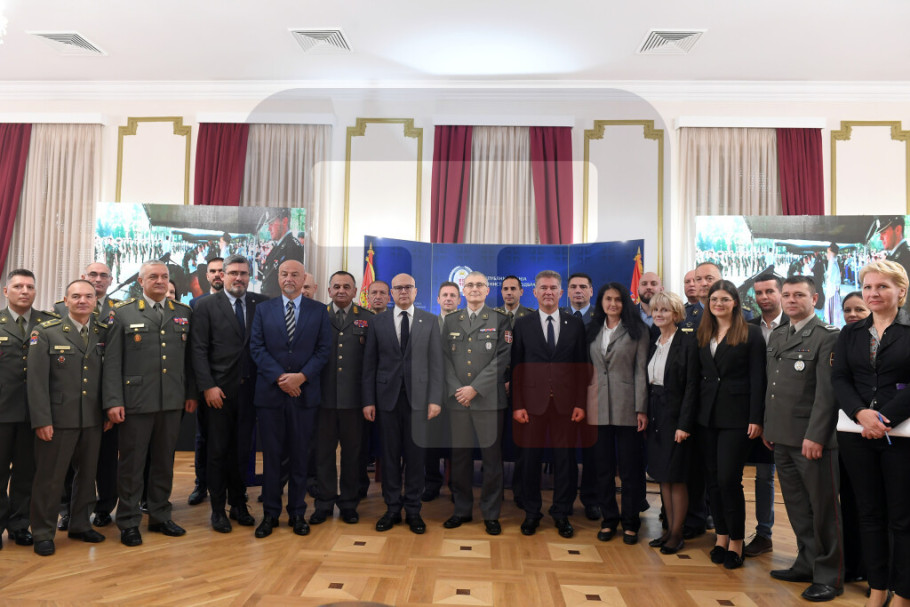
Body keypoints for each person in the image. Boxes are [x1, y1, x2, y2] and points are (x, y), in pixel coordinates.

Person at [103, 261, 197, 547]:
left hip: (171, 401)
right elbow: (112, 363)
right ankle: (129, 521)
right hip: (136, 402)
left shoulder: (182, 312)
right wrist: (113, 401)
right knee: (131, 465)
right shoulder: (122, 313)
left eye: (164, 276)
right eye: (153, 276)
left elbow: (189, 359)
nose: (159, 281)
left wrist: (190, 393)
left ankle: (159, 515)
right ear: (140, 282)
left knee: (163, 462)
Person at [832, 260, 910, 607]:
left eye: (882, 286)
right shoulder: (850, 333)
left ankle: (903, 594)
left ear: (900, 292)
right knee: (869, 514)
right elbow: (840, 378)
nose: (873, 293)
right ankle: (877, 589)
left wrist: (883, 419)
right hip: (856, 434)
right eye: (868, 287)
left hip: (902, 435)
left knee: (903, 518)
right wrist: (861, 413)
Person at [763, 276, 843, 602]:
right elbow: (773, 386)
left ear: (815, 298)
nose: (791, 300)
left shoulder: (827, 337)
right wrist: (769, 427)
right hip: (781, 436)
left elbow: (827, 394)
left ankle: (829, 576)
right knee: (797, 507)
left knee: (823, 510)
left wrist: (816, 435)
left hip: (811, 440)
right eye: (787, 295)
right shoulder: (779, 334)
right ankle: (807, 562)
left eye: (799, 294)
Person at [249, 259, 331, 538]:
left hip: (304, 396)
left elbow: (323, 350)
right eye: (284, 274)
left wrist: (301, 377)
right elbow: (257, 348)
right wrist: (282, 378)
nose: (289, 278)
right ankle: (270, 514)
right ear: (278, 277)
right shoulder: (264, 310)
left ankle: (297, 513)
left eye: (295, 274)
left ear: (303, 278)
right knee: (272, 459)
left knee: (300, 458)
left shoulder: (319, 311)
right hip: (271, 396)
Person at [27, 280, 109, 556]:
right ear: (66, 300)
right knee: (50, 479)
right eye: (76, 296)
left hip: (92, 417)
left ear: (95, 300)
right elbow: (36, 382)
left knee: (87, 476)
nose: (82, 301)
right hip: (58, 419)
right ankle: (42, 532)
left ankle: (80, 524)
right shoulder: (46, 332)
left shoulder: (102, 331)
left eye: (88, 296)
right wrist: (42, 420)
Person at [362, 273, 444, 534]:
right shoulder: (378, 322)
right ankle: (392, 509)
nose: (403, 291)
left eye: (408, 287)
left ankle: (413, 510)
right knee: (389, 457)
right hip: (386, 400)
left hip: (419, 401)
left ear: (416, 291)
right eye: (398, 288)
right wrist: (368, 400)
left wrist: (435, 399)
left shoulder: (430, 321)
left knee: (416, 458)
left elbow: (437, 364)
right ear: (392, 293)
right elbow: (369, 364)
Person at [190, 254, 265, 533]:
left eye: (243, 273)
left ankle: (238, 505)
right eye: (233, 273)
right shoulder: (205, 305)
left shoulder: (261, 304)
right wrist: (208, 386)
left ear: (250, 276)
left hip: (251, 393)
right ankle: (218, 509)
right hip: (217, 393)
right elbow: (198, 350)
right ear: (223, 275)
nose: (238, 278)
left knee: (242, 452)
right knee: (217, 452)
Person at [695, 280, 766, 570]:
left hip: (738, 418)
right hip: (706, 417)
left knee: (728, 480)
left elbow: (758, 378)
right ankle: (721, 537)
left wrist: (756, 418)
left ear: (735, 302)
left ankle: (737, 541)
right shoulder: (703, 332)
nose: (719, 304)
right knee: (712, 480)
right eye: (714, 299)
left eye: (725, 299)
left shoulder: (751, 332)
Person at [511, 270, 588, 538]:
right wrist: (518, 405)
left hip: (566, 406)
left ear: (561, 292)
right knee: (529, 461)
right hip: (531, 406)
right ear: (535, 292)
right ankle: (532, 513)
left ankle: (561, 513)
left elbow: (581, 368)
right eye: (543, 288)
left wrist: (580, 403)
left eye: (553, 288)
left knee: (565, 462)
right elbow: (516, 367)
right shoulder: (523, 324)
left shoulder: (574, 324)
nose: (548, 292)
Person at [441, 271, 511, 536]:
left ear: (487, 290)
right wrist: (459, 391)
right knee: (460, 459)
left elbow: (503, 358)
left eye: (479, 285)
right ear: (463, 289)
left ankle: (491, 514)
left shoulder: (500, 320)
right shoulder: (451, 320)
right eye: (469, 284)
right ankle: (461, 510)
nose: (474, 289)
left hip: (489, 402)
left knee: (492, 460)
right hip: (459, 401)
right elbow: (444, 358)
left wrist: (475, 389)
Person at [54, 262, 120, 530]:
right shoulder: (60, 309)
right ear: (84, 277)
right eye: (93, 274)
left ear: (111, 280)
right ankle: (68, 510)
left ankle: (104, 508)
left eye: (104, 275)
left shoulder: (120, 310)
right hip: (71, 401)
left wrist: (112, 402)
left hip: (104, 400)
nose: (98, 279)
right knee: (69, 463)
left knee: (106, 460)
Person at [586, 282, 649, 545]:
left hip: (627, 407)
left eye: (618, 299)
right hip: (597, 406)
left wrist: (641, 408)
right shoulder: (592, 329)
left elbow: (641, 371)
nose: (613, 304)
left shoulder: (638, 330)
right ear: (601, 302)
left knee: (630, 469)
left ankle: (631, 522)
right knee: (602, 469)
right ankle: (609, 519)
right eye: (608, 299)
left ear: (625, 302)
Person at [0, 269, 57, 550]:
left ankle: (20, 525)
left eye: (30, 287)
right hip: (1, 412)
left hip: (33, 414)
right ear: (6, 291)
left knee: (26, 472)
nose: (24, 291)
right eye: (18, 286)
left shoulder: (48, 324)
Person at [310, 271, 371, 526]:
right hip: (322, 400)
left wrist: (368, 400)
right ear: (329, 290)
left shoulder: (367, 319)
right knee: (323, 454)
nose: (341, 290)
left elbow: (370, 365)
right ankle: (324, 503)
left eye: (347, 286)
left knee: (352, 456)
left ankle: (348, 504)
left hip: (354, 402)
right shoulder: (316, 316)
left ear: (355, 291)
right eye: (336, 286)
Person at [646, 291, 698, 555]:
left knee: (676, 477)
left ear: (676, 314)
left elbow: (691, 387)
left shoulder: (687, 342)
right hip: (656, 414)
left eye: (665, 310)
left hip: (677, 417)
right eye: (656, 310)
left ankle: (677, 533)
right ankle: (667, 529)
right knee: (663, 477)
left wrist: (684, 425)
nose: (659, 314)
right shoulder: (654, 341)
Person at [743, 272, 789, 558]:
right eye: (758, 292)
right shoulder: (748, 327)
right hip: (752, 412)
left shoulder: (795, 325)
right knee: (760, 474)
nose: (763, 297)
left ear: (781, 293)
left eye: (769, 291)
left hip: (786, 414)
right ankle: (760, 534)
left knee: (780, 478)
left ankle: (806, 545)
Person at [560, 272, 599, 520]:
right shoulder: (558, 317)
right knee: (565, 452)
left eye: (583, 286)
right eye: (573, 286)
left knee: (592, 451)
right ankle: (565, 500)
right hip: (564, 395)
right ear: (567, 291)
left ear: (591, 291)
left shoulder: (601, 318)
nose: (578, 290)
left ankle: (591, 499)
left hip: (593, 394)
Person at [838, 290, 870, 586]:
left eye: (859, 309)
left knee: (877, 507)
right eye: (848, 310)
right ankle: (852, 564)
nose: (852, 315)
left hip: (886, 427)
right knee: (849, 502)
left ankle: (877, 573)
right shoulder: (844, 337)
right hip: (849, 429)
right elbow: (840, 379)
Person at [188, 256, 224, 507]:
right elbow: (194, 347)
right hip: (205, 381)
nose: (218, 274)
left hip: (230, 381)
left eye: (222, 270)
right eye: (213, 271)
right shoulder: (194, 305)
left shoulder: (242, 303)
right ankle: (201, 484)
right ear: (207, 275)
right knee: (203, 437)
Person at [425, 281, 460, 502]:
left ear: (459, 300)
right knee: (431, 443)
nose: (448, 298)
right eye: (445, 295)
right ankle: (431, 483)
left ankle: (457, 486)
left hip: (458, 394)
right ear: (438, 299)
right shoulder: (427, 324)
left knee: (458, 445)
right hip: (432, 394)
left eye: (452, 295)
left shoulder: (467, 324)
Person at [260, 209, 305, 299]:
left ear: (284, 222)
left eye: (271, 224)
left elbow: (292, 286)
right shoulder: (281, 245)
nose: (269, 228)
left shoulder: (292, 247)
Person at [825, 244, 844, 326]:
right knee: (831, 313)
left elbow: (832, 280)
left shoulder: (833, 264)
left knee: (832, 313)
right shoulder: (832, 263)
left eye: (828, 252)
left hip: (832, 292)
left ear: (832, 253)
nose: (827, 255)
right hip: (831, 291)